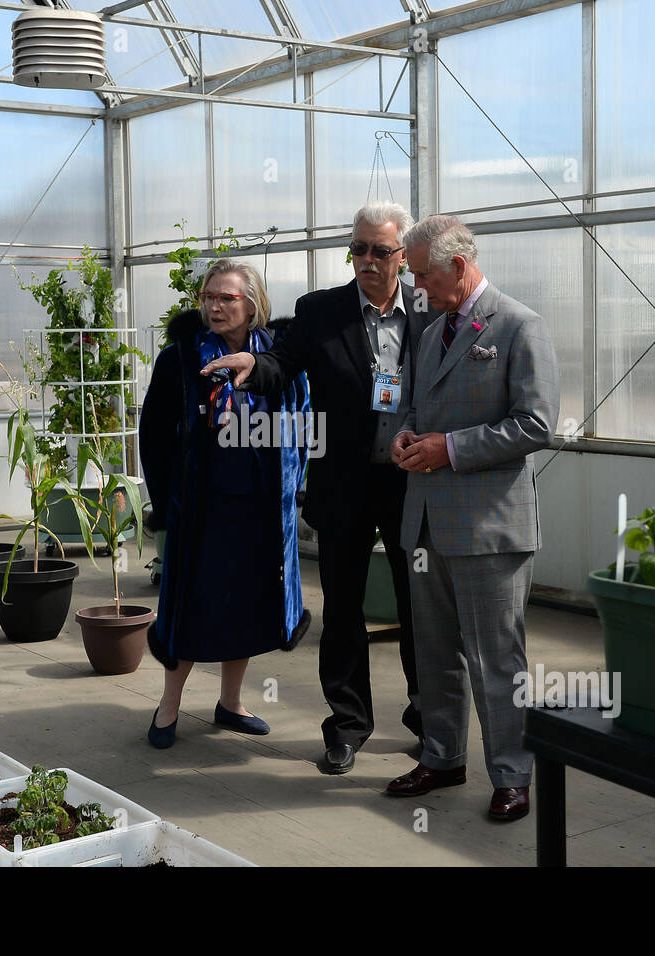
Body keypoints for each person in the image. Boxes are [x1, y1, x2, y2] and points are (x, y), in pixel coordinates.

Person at [200, 201, 433, 775]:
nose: (368, 261)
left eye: (381, 250)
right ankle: (347, 728)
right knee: (345, 612)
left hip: (415, 484)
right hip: (345, 483)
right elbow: (284, 359)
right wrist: (255, 367)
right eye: (358, 249)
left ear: (403, 256)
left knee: (421, 609)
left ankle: (430, 722)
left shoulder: (431, 312)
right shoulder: (322, 310)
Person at [386, 215, 559, 823]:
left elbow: (536, 424)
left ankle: (512, 774)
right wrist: (405, 439)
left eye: (424, 276)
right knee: (434, 653)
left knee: (495, 659)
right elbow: (411, 405)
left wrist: (448, 449)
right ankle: (442, 756)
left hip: (488, 530)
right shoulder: (431, 332)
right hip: (426, 523)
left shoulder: (519, 326)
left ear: (458, 266)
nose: (417, 288)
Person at [138, 258, 312, 749]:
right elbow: (152, 435)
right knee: (191, 608)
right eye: (209, 297)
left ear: (252, 304)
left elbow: (300, 424)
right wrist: (164, 500)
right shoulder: (180, 359)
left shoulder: (280, 356)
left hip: (260, 509)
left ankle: (230, 703)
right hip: (202, 510)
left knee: (248, 607)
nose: (215, 306)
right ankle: (169, 705)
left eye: (226, 298)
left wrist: (296, 486)